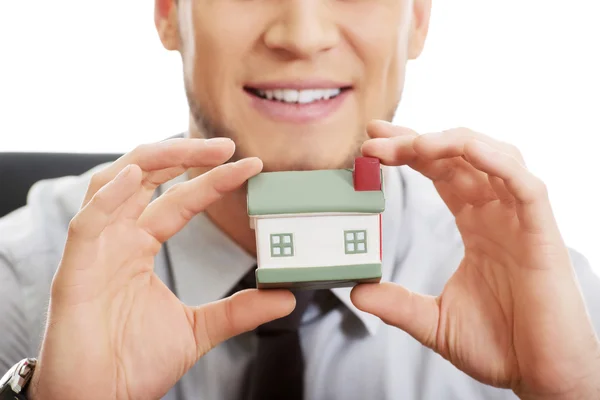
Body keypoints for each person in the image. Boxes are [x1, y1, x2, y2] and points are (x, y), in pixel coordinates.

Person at [1, 0, 599, 399]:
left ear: (417, 19)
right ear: (167, 13)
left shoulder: (549, 299)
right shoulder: (21, 282)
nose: (302, 36)